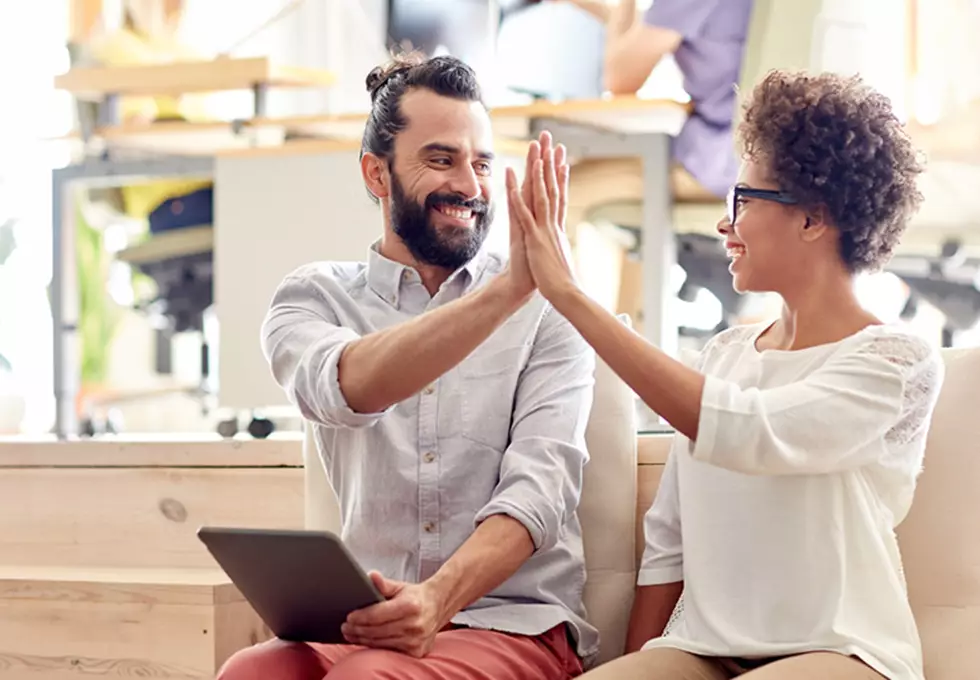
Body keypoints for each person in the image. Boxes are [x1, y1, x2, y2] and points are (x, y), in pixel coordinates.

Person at [506, 69, 945, 679]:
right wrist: (639, 663)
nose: (723, 225)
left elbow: (753, 433)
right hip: (703, 649)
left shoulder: (895, 363)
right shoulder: (725, 356)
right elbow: (669, 541)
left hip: (842, 650)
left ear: (813, 218)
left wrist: (571, 296)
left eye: (742, 200)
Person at [216, 53, 597, 680]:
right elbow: (351, 387)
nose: (471, 188)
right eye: (441, 160)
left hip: (511, 621)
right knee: (250, 673)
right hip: (367, 622)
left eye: (481, 163)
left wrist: (439, 599)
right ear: (377, 173)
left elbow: (540, 492)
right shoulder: (312, 298)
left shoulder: (547, 306)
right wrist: (503, 295)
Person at [555, 0, 755, 200]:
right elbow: (646, 34)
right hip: (766, 166)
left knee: (551, 196)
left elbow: (619, 79)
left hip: (718, 168)